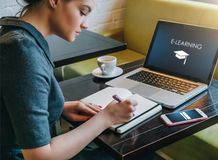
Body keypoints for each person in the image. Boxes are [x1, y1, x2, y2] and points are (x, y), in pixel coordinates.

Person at [0, 0, 136, 159]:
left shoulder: (16, 34)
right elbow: (39, 157)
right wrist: (107, 117)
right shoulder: (22, 51)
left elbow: (12, 104)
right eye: (83, 12)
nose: (86, 24)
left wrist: (58, 107)